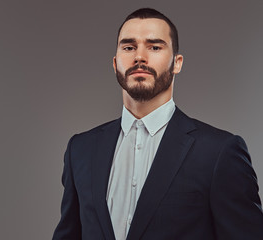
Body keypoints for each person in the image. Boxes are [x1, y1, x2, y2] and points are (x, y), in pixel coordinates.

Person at [52, 8, 263, 240]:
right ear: (115, 63)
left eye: (154, 47)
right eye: (129, 47)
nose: (139, 56)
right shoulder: (80, 150)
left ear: (177, 63)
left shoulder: (219, 152)